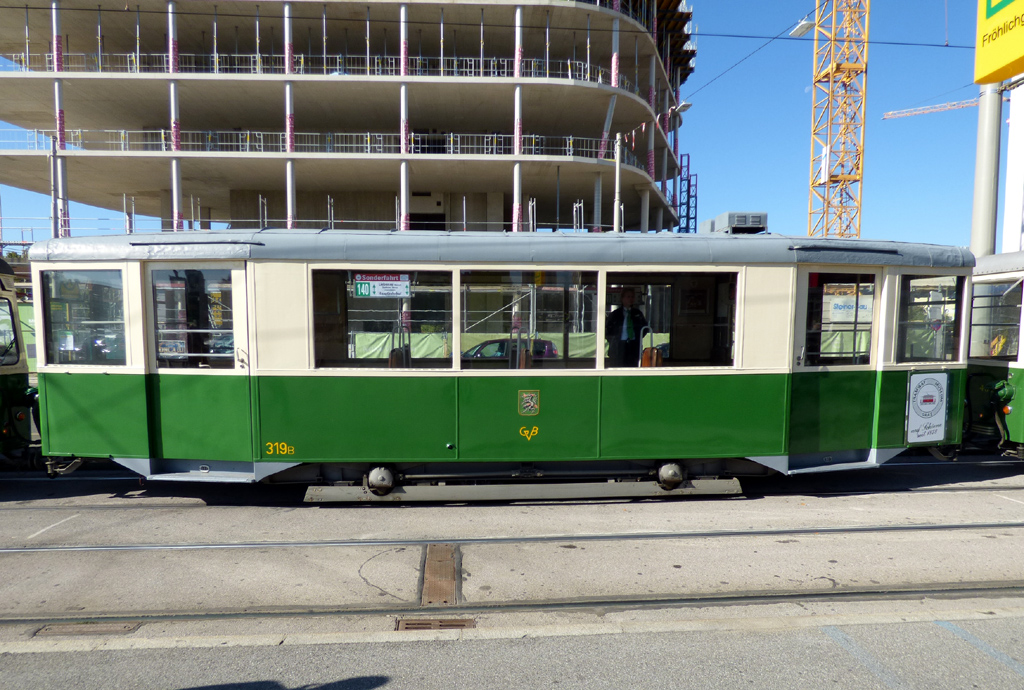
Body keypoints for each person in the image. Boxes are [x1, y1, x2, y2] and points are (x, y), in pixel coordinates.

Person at [606, 287, 648, 367]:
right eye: (628, 297)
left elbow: (644, 328)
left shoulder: (637, 313)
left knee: (633, 367)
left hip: (633, 346)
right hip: (619, 346)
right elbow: (608, 329)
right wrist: (614, 340)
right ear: (622, 298)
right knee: (618, 367)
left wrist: (637, 338)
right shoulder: (615, 314)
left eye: (632, 297)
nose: (630, 299)